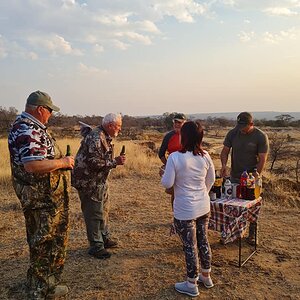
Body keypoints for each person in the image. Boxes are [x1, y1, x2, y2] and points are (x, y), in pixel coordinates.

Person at [8, 91, 74, 299]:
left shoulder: (33, 128)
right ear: (40, 109)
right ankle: (38, 290)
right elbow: (33, 165)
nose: (51, 115)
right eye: (50, 111)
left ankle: (49, 285)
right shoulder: (28, 129)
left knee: (53, 243)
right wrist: (63, 163)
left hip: (49, 199)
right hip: (41, 200)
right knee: (42, 244)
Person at [161, 121, 215, 297]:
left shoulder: (175, 158)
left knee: (190, 246)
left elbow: (167, 184)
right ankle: (206, 276)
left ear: (183, 136)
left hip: (185, 209)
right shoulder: (205, 156)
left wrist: (163, 174)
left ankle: (191, 284)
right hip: (203, 206)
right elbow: (211, 180)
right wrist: (202, 194)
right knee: (203, 241)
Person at [72, 113, 126, 259]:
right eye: (118, 126)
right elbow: (94, 163)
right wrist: (115, 162)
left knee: (103, 211)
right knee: (94, 213)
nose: (120, 129)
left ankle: (103, 238)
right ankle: (96, 246)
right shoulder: (96, 137)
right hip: (88, 182)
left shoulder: (104, 136)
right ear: (110, 125)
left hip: (99, 181)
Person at [220, 111, 269, 244]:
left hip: (253, 176)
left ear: (251, 124)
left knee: (253, 205)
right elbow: (225, 151)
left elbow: (263, 159)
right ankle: (232, 232)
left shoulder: (260, 136)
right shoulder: (233, 133)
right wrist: (224, 165)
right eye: (239, 126)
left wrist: (255, 176)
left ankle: (253, 234)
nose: (241, 130)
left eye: (244, 127)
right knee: (233, 205)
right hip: (235, 175)